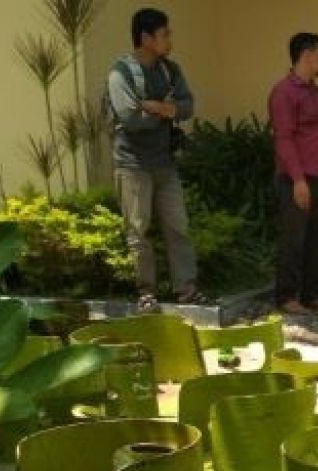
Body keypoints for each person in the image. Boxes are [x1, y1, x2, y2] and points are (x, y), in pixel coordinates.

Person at [107, 8, 203, 312]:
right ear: (146, 38)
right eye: (165, 34)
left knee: (178, 226)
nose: (170, 40)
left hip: (165, 163)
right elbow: (129, 119)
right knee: (138, 232)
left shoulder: (169, 70)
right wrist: (166, 112)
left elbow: (187, 106)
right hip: (133, 164)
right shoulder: (120, 73)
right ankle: (146, 292)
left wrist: (159, 108)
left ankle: (186, 288)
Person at [269, 32, 318, 315]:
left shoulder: (316, 91)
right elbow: (284, 138)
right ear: (307, 55)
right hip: (297, 177)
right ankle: (286, 297)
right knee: (294, 238)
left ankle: (313, 294)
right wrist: (298, 180)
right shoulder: (283, 92)